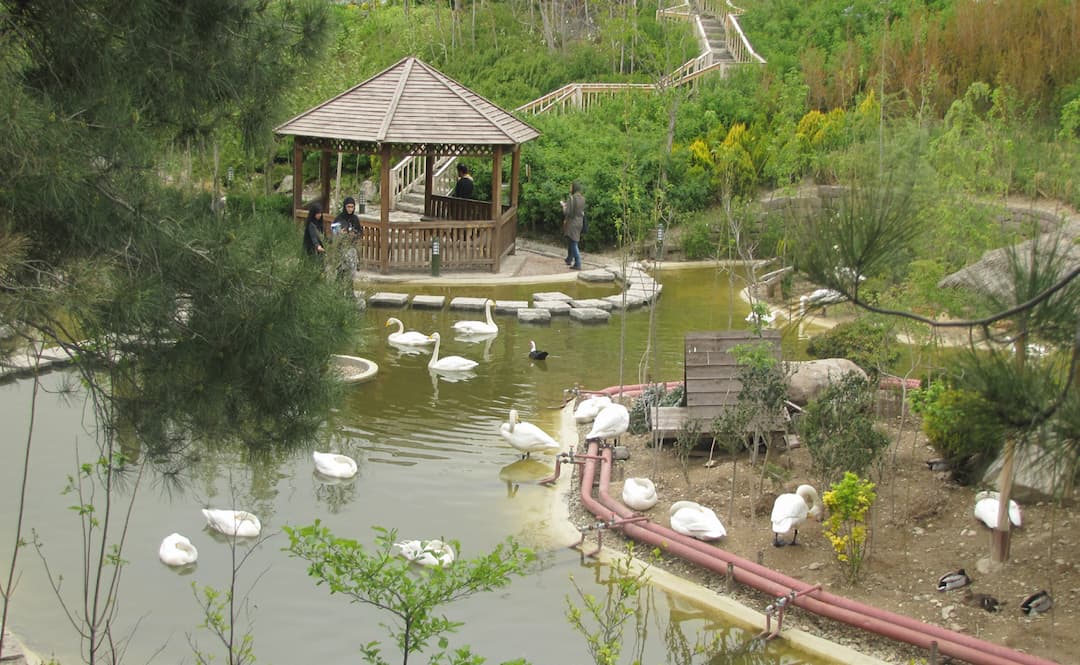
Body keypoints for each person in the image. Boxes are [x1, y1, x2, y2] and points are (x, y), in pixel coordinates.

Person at [562, 181, 586, 270]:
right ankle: (569, 259)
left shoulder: (571, 198)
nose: (570, 188)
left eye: (571, 186)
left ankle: (578, 262)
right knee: (572, 240)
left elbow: (568, 212)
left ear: (574, 188)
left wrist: (564, 207)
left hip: (572, 222)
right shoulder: (583, 198)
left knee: (573, 243)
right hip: (580, 222)